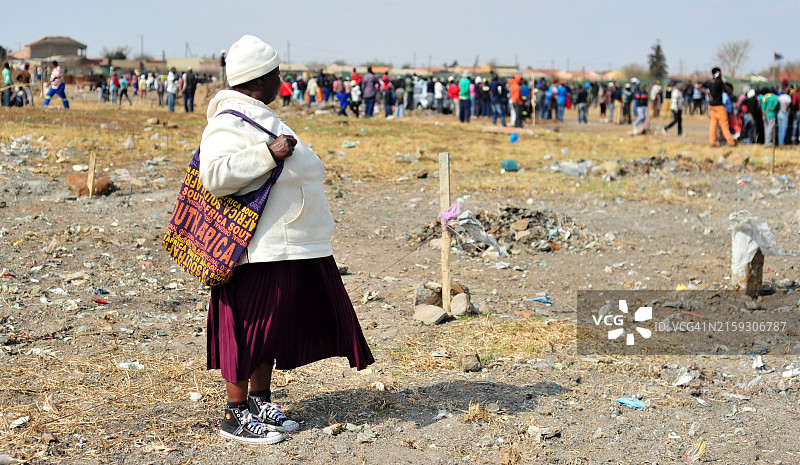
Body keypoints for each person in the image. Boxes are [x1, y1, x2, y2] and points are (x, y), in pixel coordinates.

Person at [197, 35, 374, 445]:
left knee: (270, 331)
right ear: (259, 79)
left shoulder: (258, 113)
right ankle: (234, 414)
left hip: (288, 246)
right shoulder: (229, 120)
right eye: (277, 74)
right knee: (249, 329)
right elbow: (215, 176)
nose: (282, 81)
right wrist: (267, 154)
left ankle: (259, 402)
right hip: (259, 250)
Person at [702, 68, 735, 147]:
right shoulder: (720, 82)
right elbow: (728, 90)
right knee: (724, 125)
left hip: (711, 106)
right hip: (720, 106)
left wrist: (708, 93)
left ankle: (712, 142)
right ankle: (731, 142)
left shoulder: (709, 82)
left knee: (713, 125)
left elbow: (699, 86)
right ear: (718, 73)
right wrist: (721, 80)